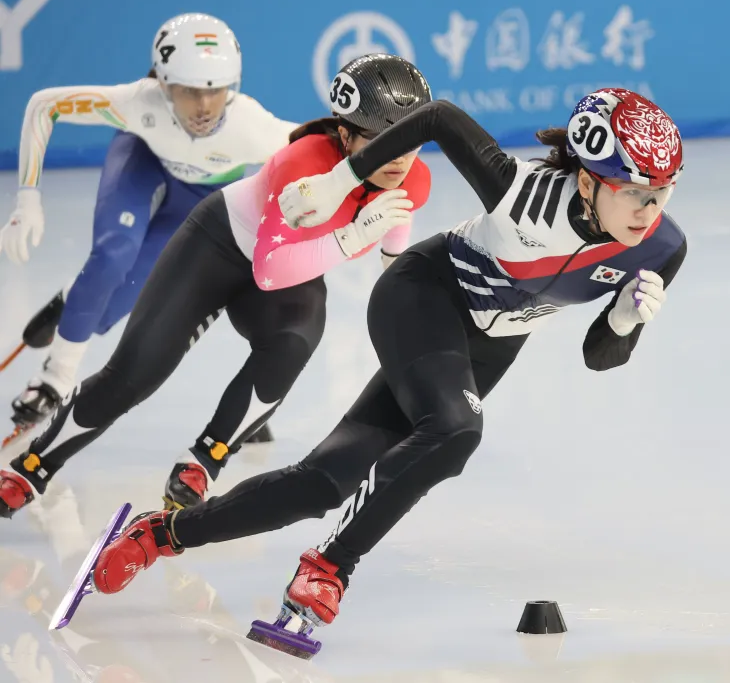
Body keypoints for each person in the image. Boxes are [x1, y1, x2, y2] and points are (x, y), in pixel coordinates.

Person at [58, 88, 686, 643]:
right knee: (458, 431)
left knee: (322, 482)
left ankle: (161, 534)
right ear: (586, 182)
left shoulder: (663, 247)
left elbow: (598, 355)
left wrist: (625, 323)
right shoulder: (520, 191)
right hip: (425, 295)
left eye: (660, 193)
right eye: (633, 192)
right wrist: (340, 180)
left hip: (488, 346)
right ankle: (329, 568)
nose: (647, 211)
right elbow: (437, 116)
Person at [0, 53, 433, 517]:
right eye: (382, 140)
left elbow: (395, 239)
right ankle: (31, 467)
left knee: (293, 344)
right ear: (345, 135)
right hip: (218, 247)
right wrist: (350, 239)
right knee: (134, 375)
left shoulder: (414, 177)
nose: (399, 157)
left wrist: (397, 284)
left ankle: (205, 460)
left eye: (409, 141)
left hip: (293, 270)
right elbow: (268, 270)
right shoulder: (302, 163)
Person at [0, 13, 298, 448]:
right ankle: (55, 377)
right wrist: (28, 197)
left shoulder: (254, 127)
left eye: (215, 91)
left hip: (201, 198)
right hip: (143, 160)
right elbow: (43, 106)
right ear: (161, 83)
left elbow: (332, 154)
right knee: (112, 254)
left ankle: (71, 297)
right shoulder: (138, 102)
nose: (203, 106)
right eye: (189, 91)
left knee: (118, 299)